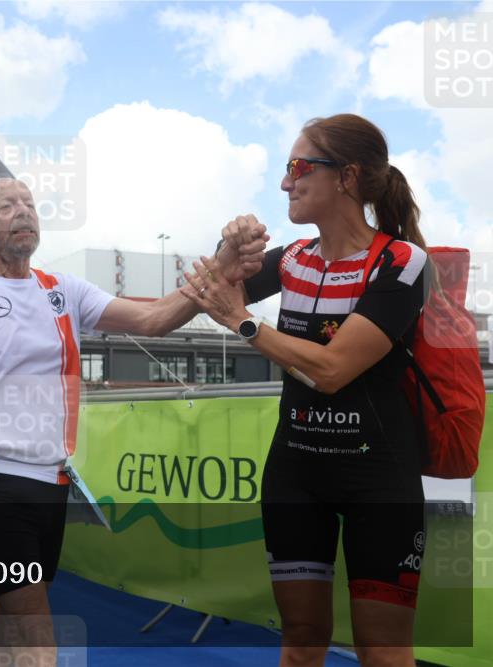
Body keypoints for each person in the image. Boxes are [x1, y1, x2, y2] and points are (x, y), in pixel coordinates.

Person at [0, 176, 269, 665]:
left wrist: (221, 265)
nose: (24, 211)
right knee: (37, 635)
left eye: (29, 204)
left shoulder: (62, 290)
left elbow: (154, 318)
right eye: (7, 206)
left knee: (9, 621)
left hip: (51, 478)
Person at [182, 114, 428, 667]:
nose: (285, 182)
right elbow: (197, 294)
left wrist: (246, 324)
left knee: (382, 651)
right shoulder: (293, 258)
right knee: (300, 641)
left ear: (346, 176)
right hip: (297, 474)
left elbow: (334, 370)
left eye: (297, 167)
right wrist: (229, 248)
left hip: (377, 479)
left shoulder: (401, 261)